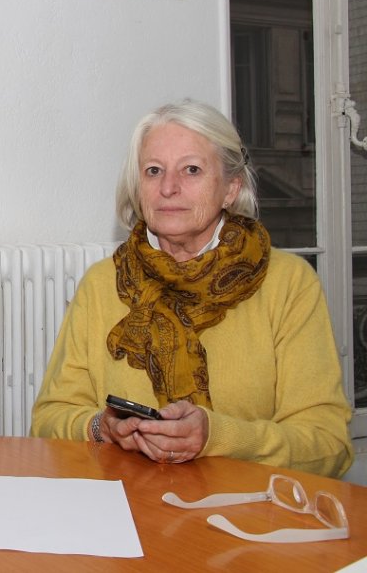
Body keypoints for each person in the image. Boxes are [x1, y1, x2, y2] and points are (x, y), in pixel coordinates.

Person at [30, 100, 353, 478]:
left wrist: (215, 436)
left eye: (192, 170)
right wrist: (103, 427)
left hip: (247, 513)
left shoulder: (289, 284)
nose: (169, 187)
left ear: (231, 188)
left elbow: (327, 444)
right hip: (129, 507)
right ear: (138, 187)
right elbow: (49, 419)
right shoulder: (102, 284)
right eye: (153, 171)